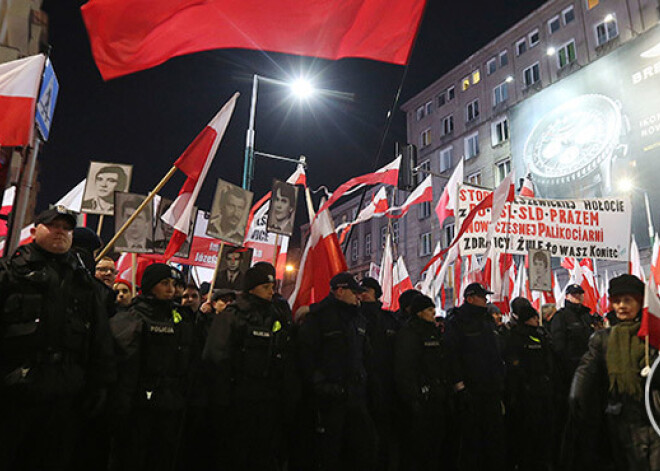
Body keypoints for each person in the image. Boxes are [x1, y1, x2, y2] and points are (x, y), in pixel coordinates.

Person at [0, 207, 116, 470]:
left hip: (65, 395)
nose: (60, 231)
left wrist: (100, 385)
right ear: (34, 231)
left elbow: (100, 341)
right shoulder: (9, 274)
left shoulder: (84, 284)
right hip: (14, 395)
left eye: (66, 228)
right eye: (53, 225)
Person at [203, 266, 294, 470]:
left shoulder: (275, 316)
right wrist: (223, 398)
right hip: (238, 400)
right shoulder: (233, 316)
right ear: (251, 289)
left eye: (272, 286)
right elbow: (216, 356)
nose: (271, 291)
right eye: (265, 287)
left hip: (268, 400)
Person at [108, 263, 194, 471]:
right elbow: (126, 361)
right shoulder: (134, 316)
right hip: (140, 401)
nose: (171, 289)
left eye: (173, 284)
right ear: (149, 285)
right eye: (164, 283)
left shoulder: (180, 317)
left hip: (171, 400)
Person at [570, 274, 660, 470]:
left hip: (654, 420)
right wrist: (577, 399)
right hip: (621, 424)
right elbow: (585, 373)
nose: (621, 306)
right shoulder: (603, 339)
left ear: (640, 302)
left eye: (628, 300)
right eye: (617, 301)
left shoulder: (655, 336)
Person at [297, 272, 377, 471]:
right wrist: (323, 388)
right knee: (330, 454)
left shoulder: (358, 319)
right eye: (354, 292)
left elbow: (365, 356)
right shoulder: (319, 318)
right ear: (340, 291)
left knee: (364, 449)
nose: (358, 296)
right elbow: (306, 359)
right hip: (329, 401)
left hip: (355, 397)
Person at [444, 282, 506, 471]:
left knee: (493, 440)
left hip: (492, 390)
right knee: (471, 443)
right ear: (470, 298)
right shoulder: (457, 321)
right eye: (482, 297)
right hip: (471, 391)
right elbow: (452, 356)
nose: (486, 300)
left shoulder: (487, 321)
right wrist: (460, 386)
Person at [394, 294, 450, 471]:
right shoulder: (409, 334)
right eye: (429, 310)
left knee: (436, 445)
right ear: (419, 313)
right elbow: (405, 368)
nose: (433, 313)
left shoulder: (433, 332)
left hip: (436, 396)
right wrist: (414, 397)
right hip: (421, 399)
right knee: (420, 448)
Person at [505, 297, 554, 471]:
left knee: (543, 427)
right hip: (526, 392)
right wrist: (524, 383)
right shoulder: (515, 336)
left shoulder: (540, 335)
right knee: (528, 430)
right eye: (534, 318)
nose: (537, 320)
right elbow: (514, 364)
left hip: (542, 388)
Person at [359, 277, 400, 470]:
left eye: (367, 290)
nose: (363, 293)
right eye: (361, 290)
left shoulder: (389, 320)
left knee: (384, 436)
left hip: (385, 386)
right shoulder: (354, 317)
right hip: (361, 386)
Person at [551, 282, 593, 442]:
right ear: (567, 296)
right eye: (574, 294)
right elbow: (558, 347)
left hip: (588, 371)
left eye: (580, 294)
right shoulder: (561, 317)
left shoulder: (586, 316)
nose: (578, 297)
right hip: (570, 374)